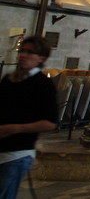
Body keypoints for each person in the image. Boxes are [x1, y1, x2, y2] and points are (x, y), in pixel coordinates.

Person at [0, 35, 58, 199]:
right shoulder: (8, 79)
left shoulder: (42, 84)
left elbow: (50, 122)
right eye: (22, 51)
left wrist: (14, 128)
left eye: (30, 52)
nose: (23, 55)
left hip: (17, 154)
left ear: (41, 58)